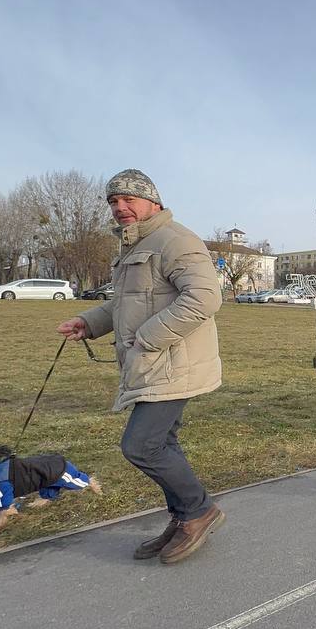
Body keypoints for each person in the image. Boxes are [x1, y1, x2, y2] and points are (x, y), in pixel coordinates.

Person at [56, 169, 224, 565]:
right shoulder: (136, 246)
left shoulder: (175, 240)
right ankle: (184, 516)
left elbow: (204, 298)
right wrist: (90, 322)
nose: (120, 208)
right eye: (114, 202)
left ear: (154, 202)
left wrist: (147, 337)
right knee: (162, 443)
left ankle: (198, 511)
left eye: (129, 199)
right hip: (154, 363)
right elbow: (125, 303)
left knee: (141, 445)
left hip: (171, 362)